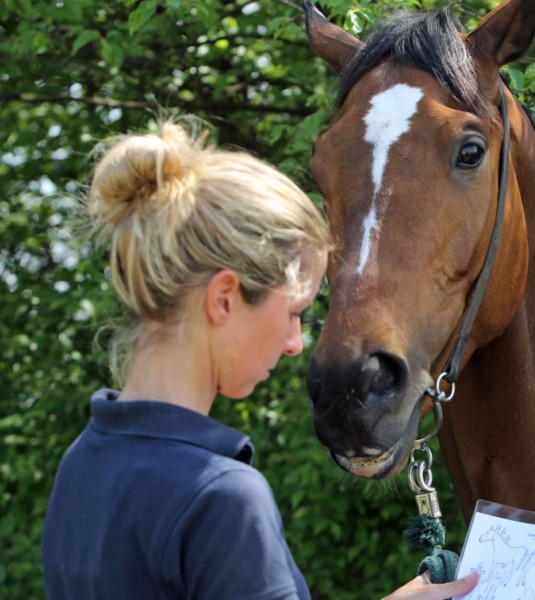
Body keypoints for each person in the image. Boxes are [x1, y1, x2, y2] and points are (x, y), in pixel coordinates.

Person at [40, 119, 479, 600]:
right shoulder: (218, 497)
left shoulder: (83, 462)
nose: (295, 343)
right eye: (293, 312)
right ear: (225, 298)